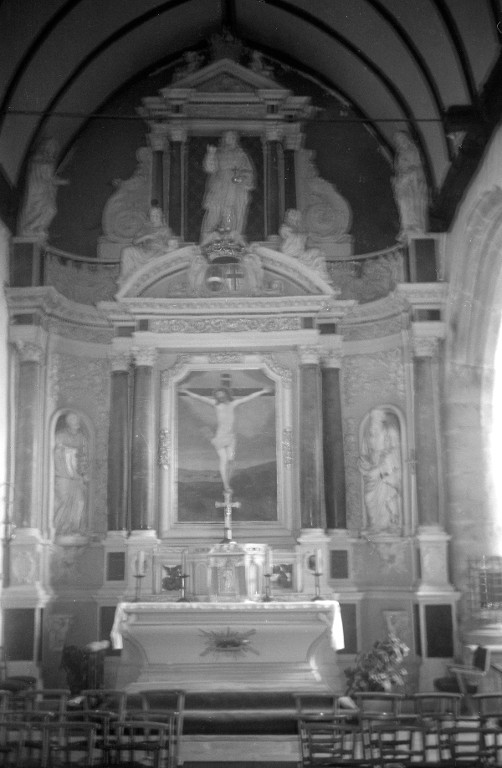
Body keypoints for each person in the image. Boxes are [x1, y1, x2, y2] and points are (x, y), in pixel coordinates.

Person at [180, 385, 270, 492]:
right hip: (220, 437)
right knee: (223, 460)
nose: (220, 397)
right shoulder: (215, 404)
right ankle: (226, 485)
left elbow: (248, 398)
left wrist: (262, 391)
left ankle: (228, 481)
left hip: (231, 437)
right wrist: (187, 392)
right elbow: (200, 398)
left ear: (226, 395)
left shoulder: (233, 404)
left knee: (231, 460)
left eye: (222, 395)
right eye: (218, 396)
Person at [200, 131, 254, 245]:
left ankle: (231, 238)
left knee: (230, 211)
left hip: (235, 188)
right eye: (227, 138)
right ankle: (208, 236)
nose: (229, 140)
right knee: (214, 210)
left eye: (232, 138)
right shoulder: (218, 153)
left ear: (236, 140)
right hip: (219, 186)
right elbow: (210, 168)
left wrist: (240, 179)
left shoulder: (241, 155)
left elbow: (248, 173)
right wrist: (210, 154)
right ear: (223, 139)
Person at [359, 408, 402, 533]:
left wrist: (382, 466)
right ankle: (374, 524)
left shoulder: (390, 431)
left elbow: (396, 449)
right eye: (373, 418)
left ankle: (390, 524)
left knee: (388, 496)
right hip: (373, 470)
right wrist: (366, 464)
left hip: (387, 469)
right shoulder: (369, 433)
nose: (375, 420)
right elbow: (364, 453)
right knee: (369, 498)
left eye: (377, 418)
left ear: (382, 420)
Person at [18, 137, 69, 239]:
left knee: (50, 210)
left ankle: (38, 228)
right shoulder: (41, 161)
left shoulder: (46, 162)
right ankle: (31, 228)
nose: (53, 151)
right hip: (38, 191)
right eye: (51, 148)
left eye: (54, 149)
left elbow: (49, 178)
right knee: (47, 209)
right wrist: (63, 181)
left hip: (45, 192)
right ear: (45, 147)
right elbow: (49, 178)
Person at [119, 200, 176, 282]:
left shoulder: (165, 230)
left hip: (158, 252)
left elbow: (171, 245)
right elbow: (135, 242)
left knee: (161, 253)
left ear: (161, 216)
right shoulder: (146, 228)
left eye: (157, 215)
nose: (155, 217)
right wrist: (147, 236)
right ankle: (125, 279)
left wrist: (167, 246)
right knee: (126, 251)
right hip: (144, 252)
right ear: (149, 217)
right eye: (152, 215)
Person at [53, 412, 88, 536]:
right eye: (73, 419)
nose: (77, 421)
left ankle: (75, 528)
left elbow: (84, 456)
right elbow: (56, 453)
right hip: (63, 474)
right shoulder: (60, 435)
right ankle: (60, 529)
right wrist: (68, 452)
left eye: (77, 418)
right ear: (68, 422)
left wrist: (83, 472)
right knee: (63, 501)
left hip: (77, 475)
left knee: (80, 502)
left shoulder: (82, 437)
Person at [392, 131, 428, 241]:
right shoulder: (399, 156)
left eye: (401, 139)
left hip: (412, 183)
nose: (400, 143)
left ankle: (414, 225)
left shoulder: (412, 151)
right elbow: (399, 170)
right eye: (397, 142)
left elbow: (417, 167)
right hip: (403, 184)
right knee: (404, 204)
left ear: (406, 139)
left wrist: (408, 175)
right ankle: (406, 226)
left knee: (411, 203)